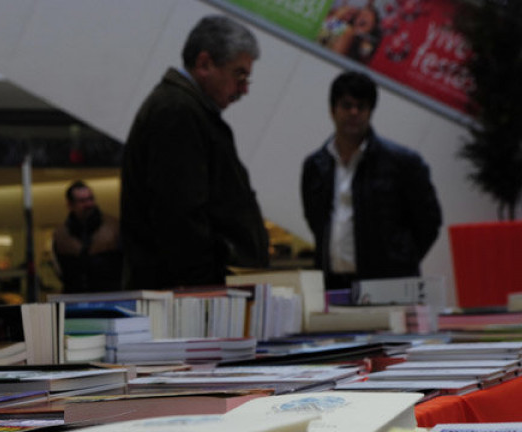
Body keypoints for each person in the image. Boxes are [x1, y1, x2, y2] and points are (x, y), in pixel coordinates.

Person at [121, 15, 269, 290]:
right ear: (205, 64)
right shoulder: (177, 113)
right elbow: (180, 217)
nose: (244, 89)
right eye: (240, 75)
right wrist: (206, 290)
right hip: (191, 297)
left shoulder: (187, 110)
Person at [301, 71, 442, 293]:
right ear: (332, 110)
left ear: (371, 111)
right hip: (333, 284)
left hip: (389, 284)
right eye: (346, 105)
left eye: (362, 106)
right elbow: (315, 221)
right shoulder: (315, 166)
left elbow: (429, 223)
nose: (354, 112)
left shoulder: (403, 164)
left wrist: (400, 261)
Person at [53, 180, 122, 293]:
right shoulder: (61, 234)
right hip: (76, 295)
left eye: (90, 199)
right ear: (70, 205)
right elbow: (61, 270)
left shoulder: (113, 228)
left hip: (109, 294)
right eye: (82, 201)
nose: (89, 204)